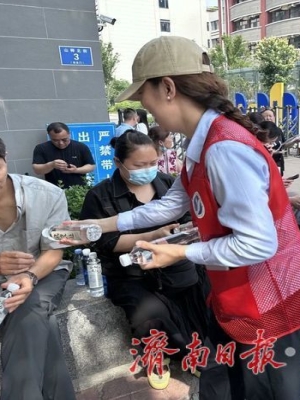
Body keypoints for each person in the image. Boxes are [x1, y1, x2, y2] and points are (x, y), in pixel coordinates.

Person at [77, 36, 300, 400]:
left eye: (144, 97)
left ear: (168, 88)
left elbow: (258, 243)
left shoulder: (223, 148)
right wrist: (98, 226)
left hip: (268, 301)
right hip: (238, 295)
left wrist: (179, 252)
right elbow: (169, 205)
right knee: (223, 385)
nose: (145, 109)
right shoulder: (202, 144)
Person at [79, 130, 209, 390]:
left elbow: (190, 222)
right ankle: (156, 355)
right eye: (139, 165)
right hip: (131, 272)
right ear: (118, 163)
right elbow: (106, 241)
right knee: (148, 313)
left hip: (174, 262)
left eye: (153, 163)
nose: (148, 170)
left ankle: (192, 352)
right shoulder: (100, 195)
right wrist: (152, 236)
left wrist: (178, 236)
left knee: (198, 298)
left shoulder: (169, 184)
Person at [0, 125, 75, 399]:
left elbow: (54, 251)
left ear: (5, 157)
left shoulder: (47, 194)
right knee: (38, 322)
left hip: (43, 274)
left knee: (29, 305)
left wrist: (29, 276)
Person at [32, 122, 95, 188]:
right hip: (53, 189)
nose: (61, 143)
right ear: (49, 136)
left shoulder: (80, 147)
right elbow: (37, 170)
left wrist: (76, 170)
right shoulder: (41, 148)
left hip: (78, 189)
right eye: (55, 140)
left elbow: (91, 166)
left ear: (69, 134)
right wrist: (51, 165)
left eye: (64, 139)